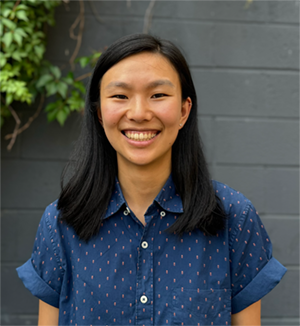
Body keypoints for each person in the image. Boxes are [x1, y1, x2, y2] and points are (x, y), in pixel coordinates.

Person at [17, 34, 286, 326]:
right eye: (120, 96)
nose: (139, 113)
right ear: (98, 112)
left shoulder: (233, 218)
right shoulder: (61, 223)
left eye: (158, 95)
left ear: (184, 110)